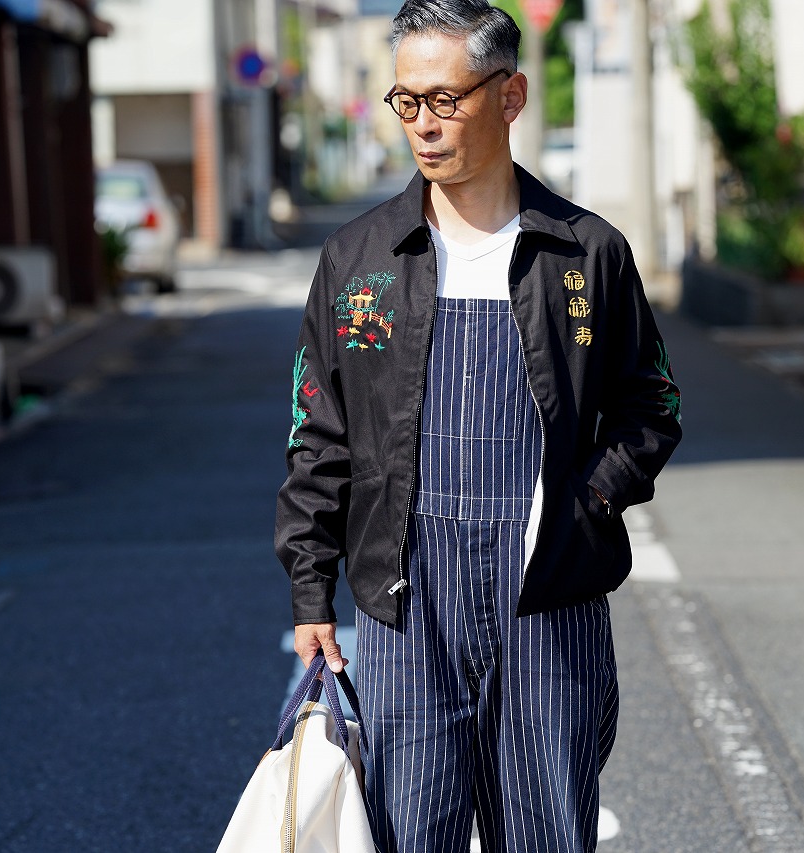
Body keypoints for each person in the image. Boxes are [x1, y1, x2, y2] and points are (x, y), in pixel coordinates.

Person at [275, 1, 682, 849]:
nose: (423, 125)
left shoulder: (585, 252)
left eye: (445, 99)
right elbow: (320, 433)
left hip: (548, 593)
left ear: (510, 96)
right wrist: (311, 586)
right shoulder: (359, 260)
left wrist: (589, 502)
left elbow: (652, 406)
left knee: (545, 830)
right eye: (406, 101)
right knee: (409, 829)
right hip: (407, 602)